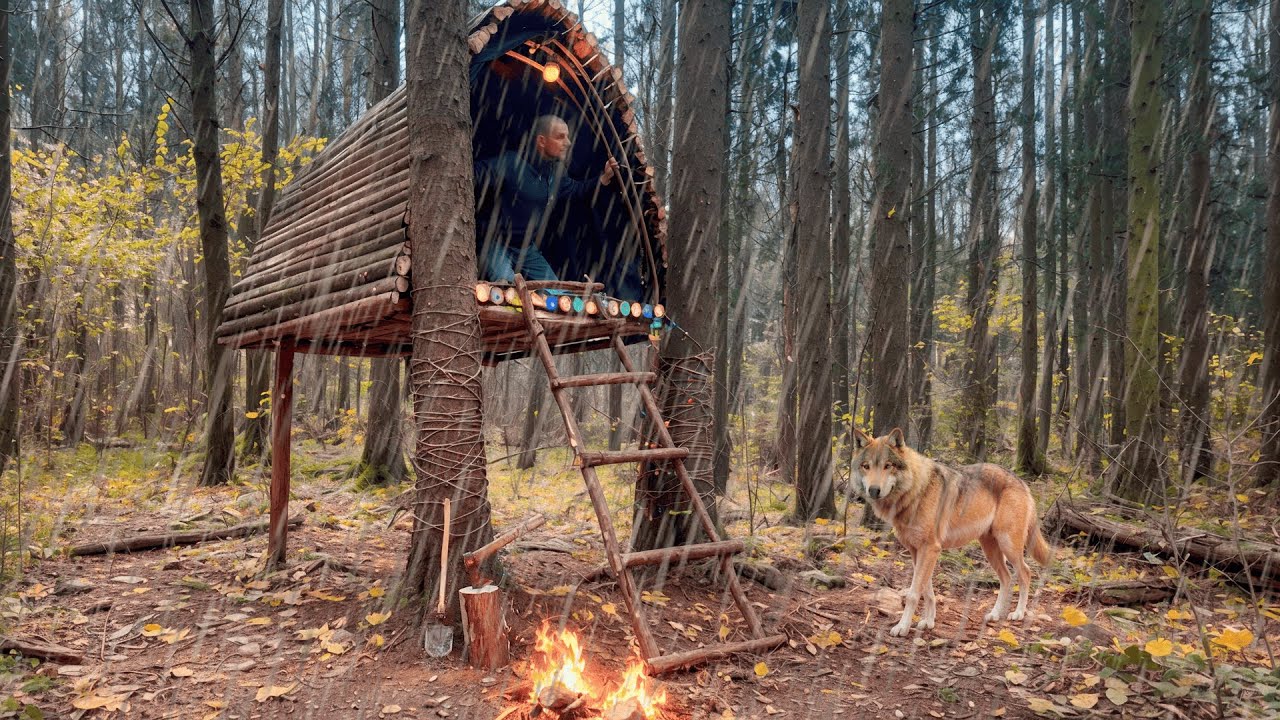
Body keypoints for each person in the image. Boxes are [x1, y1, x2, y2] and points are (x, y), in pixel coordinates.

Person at [473, 114, 619, 283]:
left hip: (526, 249)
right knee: (508, 293)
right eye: (560, 137)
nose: (568, 143)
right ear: (541, 141)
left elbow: (575, 189)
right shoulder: (511, 164)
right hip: (495, 244)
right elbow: (474, 173)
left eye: (568, 137)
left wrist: (604, 179)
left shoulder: (555, 173)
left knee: (557, 292)